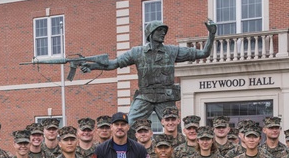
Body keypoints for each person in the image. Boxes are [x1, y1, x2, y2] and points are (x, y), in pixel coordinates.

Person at [82, 20, 216, 126]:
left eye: (164, 31)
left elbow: (204, 53)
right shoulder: (137, 52)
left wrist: (211, 34)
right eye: (159, 30)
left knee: (174, 128)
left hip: (165, 97)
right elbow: (114, 63)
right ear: (150, 34)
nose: (163, 33)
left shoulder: (172, 51)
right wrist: (92, 67)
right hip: (145, 96)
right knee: (130, 124)